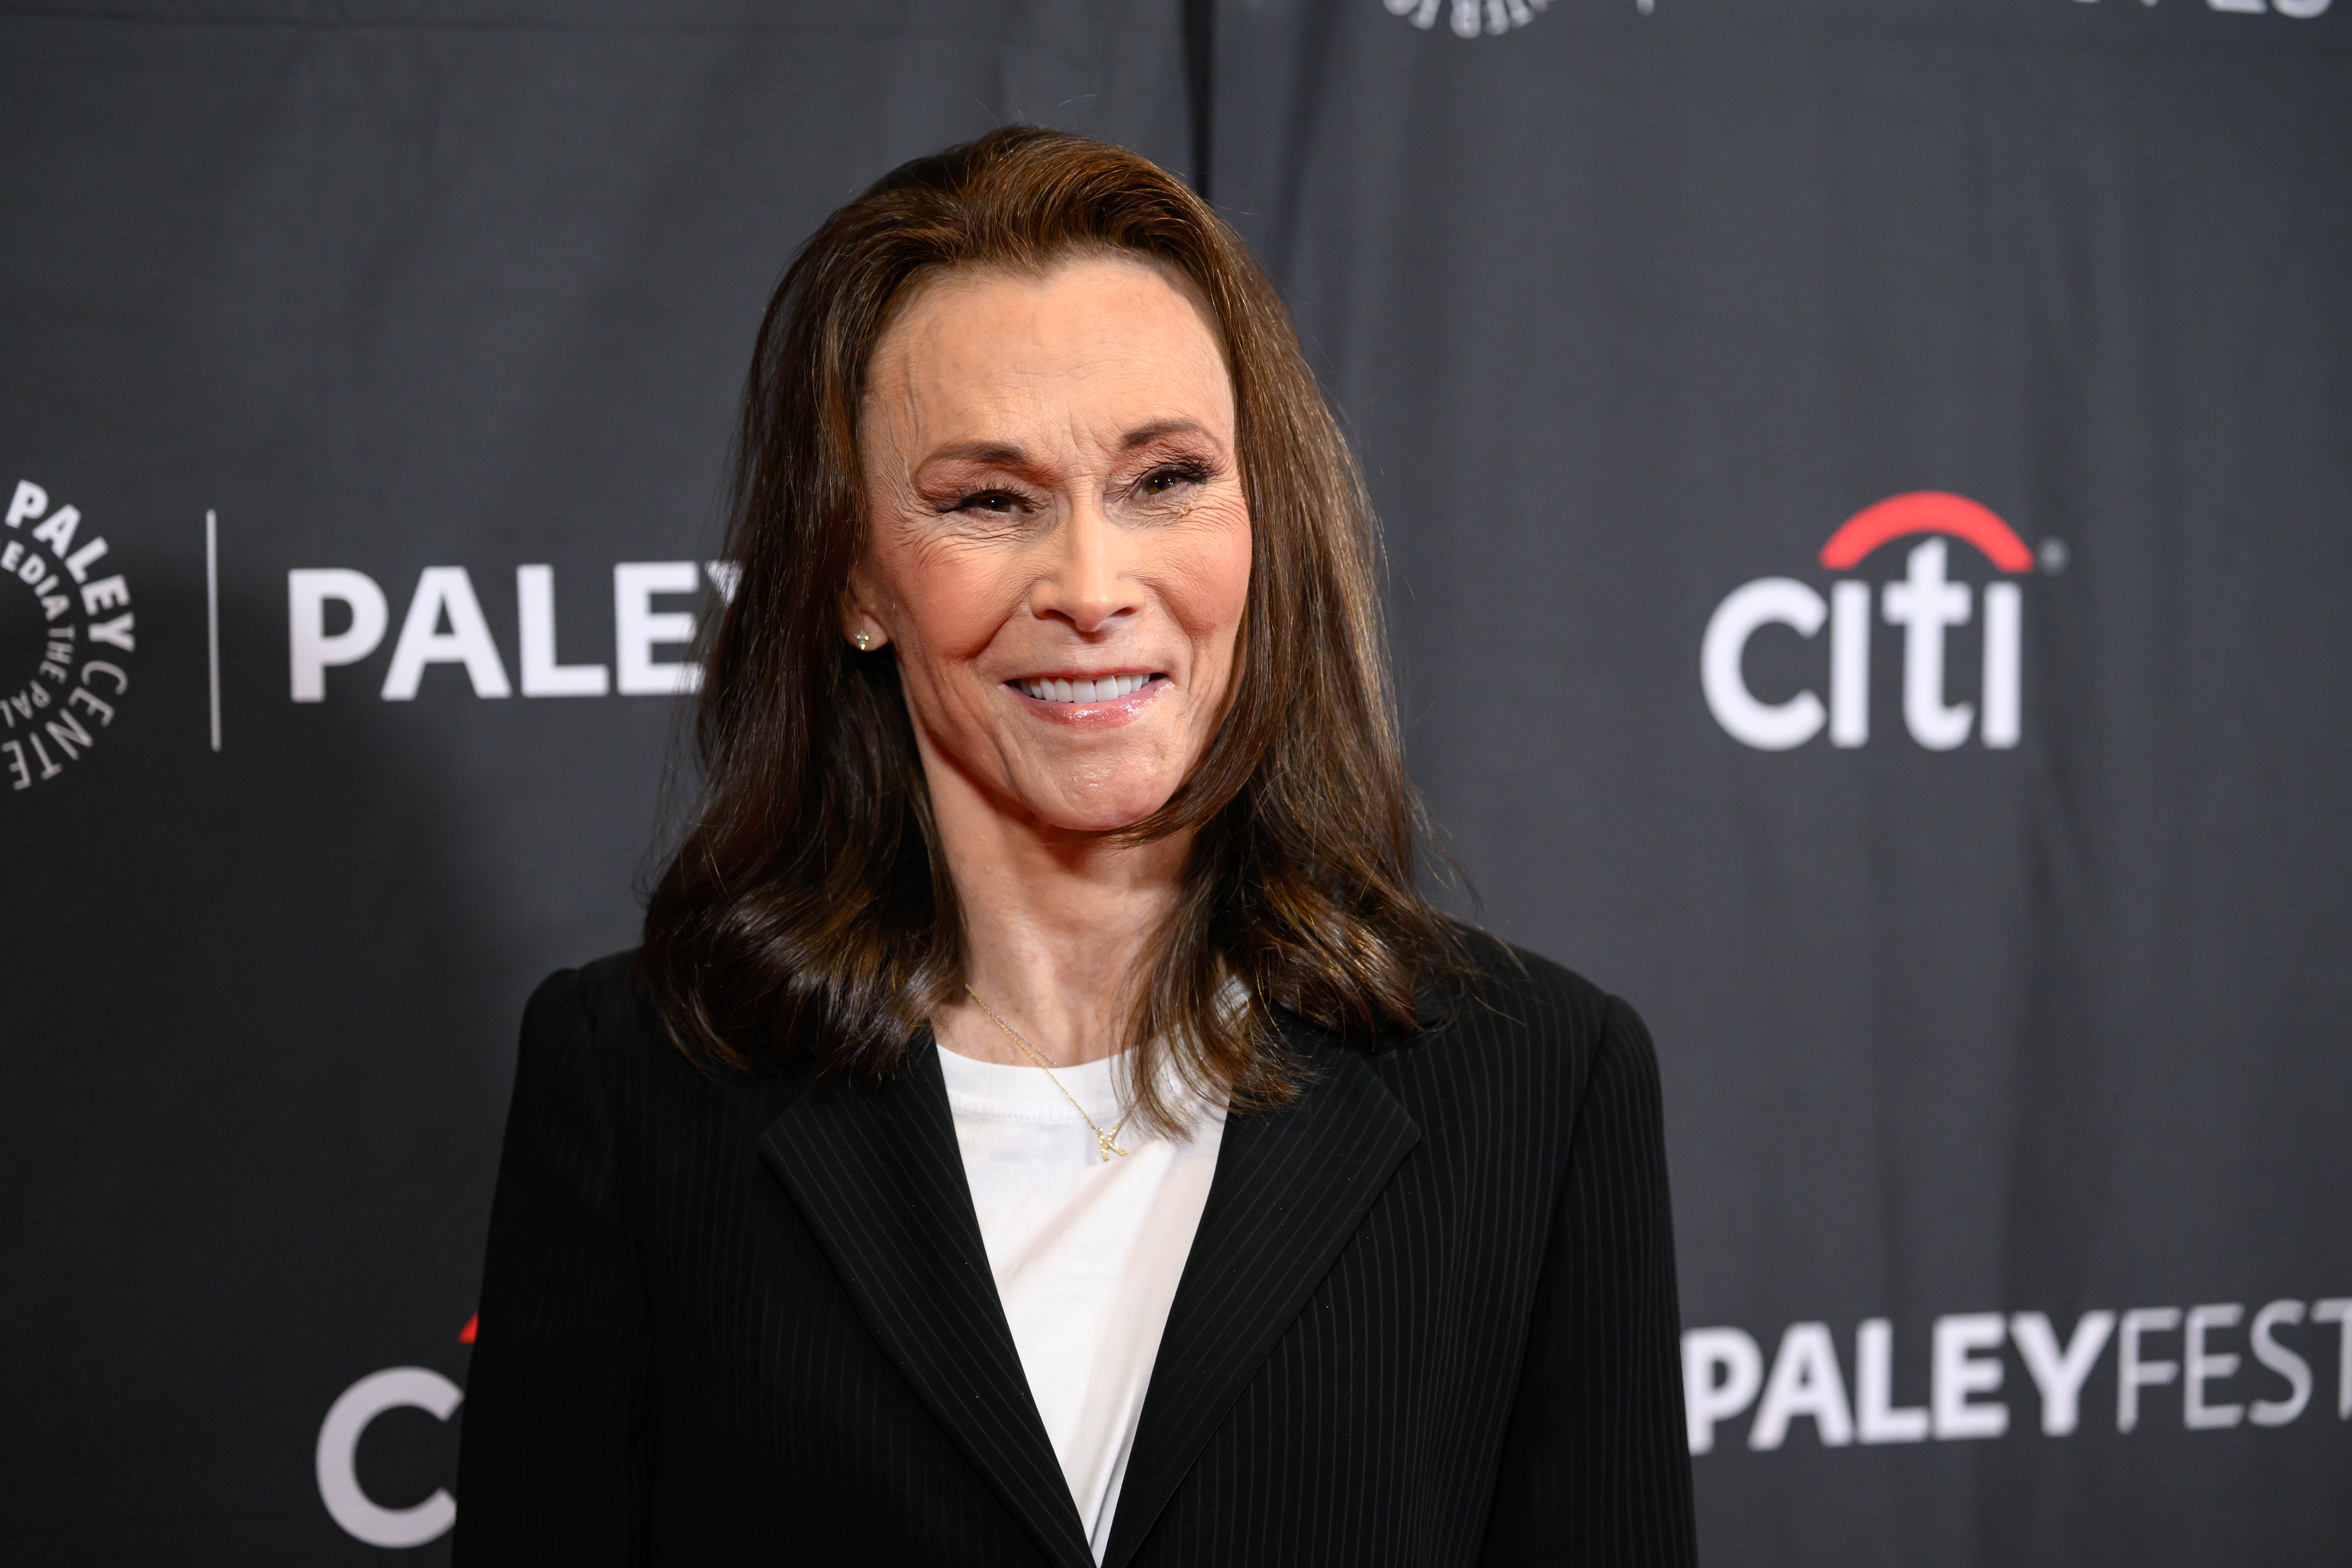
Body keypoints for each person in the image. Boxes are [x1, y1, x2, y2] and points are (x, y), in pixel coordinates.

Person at [454, 125, 1694, 1568]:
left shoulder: (1540, 1078)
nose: (1094, 586)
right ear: (857, 573)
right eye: (990, 500)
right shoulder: (639, 1082)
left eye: (1165, 478)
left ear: (1262, 523)